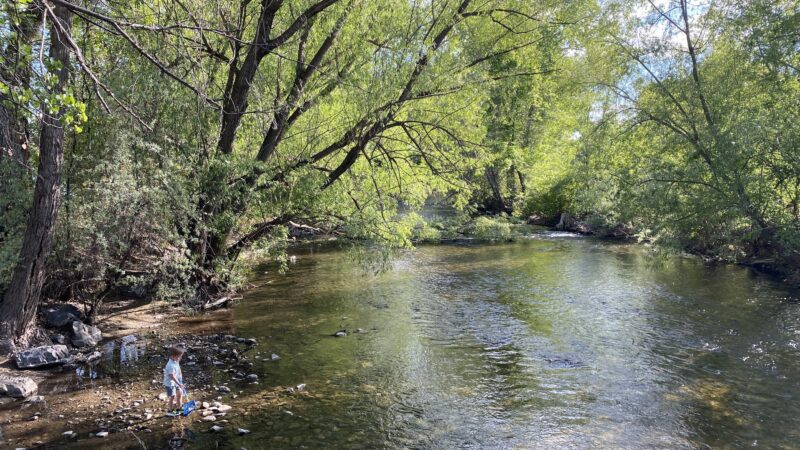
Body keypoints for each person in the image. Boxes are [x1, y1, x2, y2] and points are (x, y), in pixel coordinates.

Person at [163, 346, 185, 414]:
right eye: (179, 356)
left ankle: (179, 408)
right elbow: (171, 376)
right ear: (173, 356)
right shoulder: (170, 365)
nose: (180, 358)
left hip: (176, 381)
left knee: (180, 394)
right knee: (173, 396)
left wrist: (180, 375)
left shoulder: (176, 361)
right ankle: (170, 410)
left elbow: (178, 367)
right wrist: (179, 384)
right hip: (170, 383)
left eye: (180, 356)